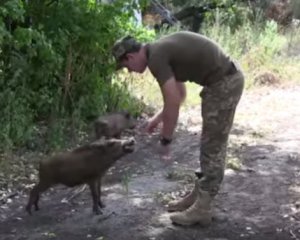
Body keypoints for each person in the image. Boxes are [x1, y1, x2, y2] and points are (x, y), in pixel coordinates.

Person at [112, 31, 244, 226]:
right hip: (223, 80)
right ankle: (199, 196)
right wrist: (157, 120)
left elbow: (173, 101)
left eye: (126, 66)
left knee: (213, 146)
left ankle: (203, 208)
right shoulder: (159, 51)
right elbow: (179, 95)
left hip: (224, 83)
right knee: (209, 143)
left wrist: (166, 140)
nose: (129, 71)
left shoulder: (156, 57)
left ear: (130, 56)